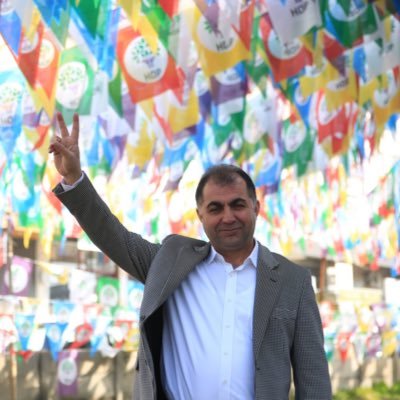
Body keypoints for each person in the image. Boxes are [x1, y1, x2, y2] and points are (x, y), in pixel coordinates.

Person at [49, 112, 332, 400]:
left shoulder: (293, 281)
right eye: (215, 208)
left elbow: (314, 381)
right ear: (200, 215)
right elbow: (114, 237)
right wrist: (74, 178)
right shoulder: (171, 263)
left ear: (256, 208)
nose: (228, 217)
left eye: (237, 205)